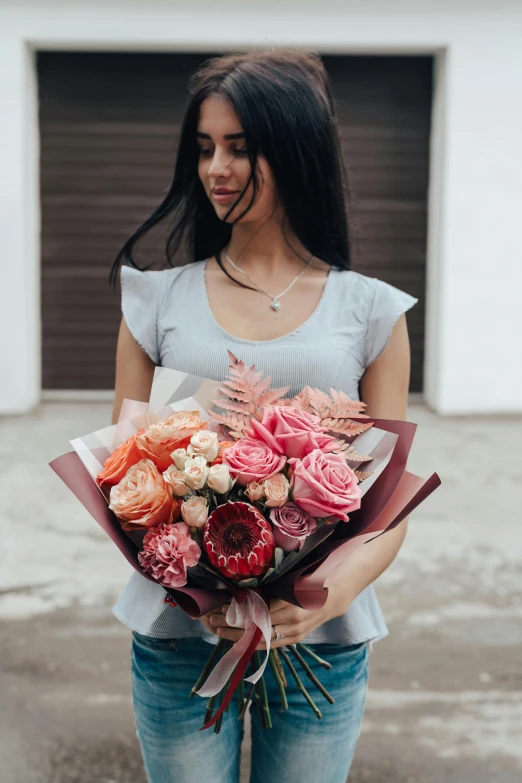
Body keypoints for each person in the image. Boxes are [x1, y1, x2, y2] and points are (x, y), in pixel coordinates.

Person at [110, 49, 417, 783]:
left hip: (323, 642)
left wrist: (323, 597)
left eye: (240, 149)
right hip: (179, 633)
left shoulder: (371, 309)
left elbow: (389, 506)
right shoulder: (156, 301)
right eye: (205, 148)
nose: (216, 168)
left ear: (295, 150)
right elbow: (123, 474)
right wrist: (196, 582)